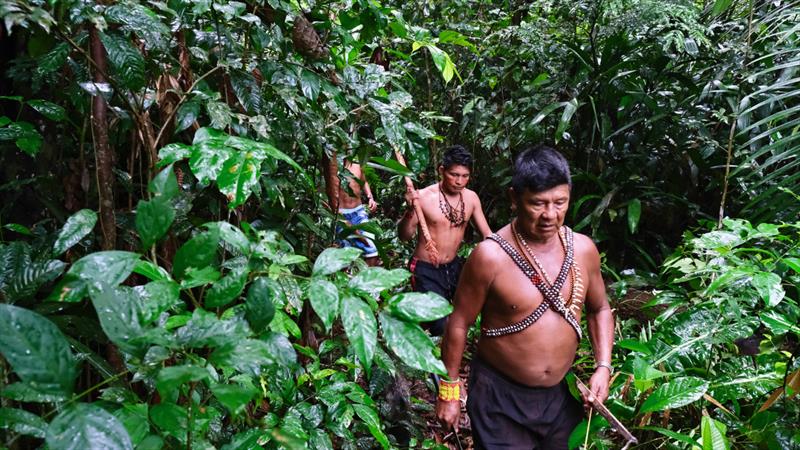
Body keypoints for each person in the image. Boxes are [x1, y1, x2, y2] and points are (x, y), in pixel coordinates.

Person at [435, 145, 615, 450]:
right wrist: (449, 393)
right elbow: (459, 324)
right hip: (499, 398)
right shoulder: (489, 257)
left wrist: (603, 367)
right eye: (537, 203)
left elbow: (599, 309)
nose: (550, 215)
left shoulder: (583, 250)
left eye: (560, 202)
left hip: (562, 398)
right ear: (514, 197)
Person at [398, 145, 492, 336]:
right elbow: (404, 236)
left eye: (465, 176)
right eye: (454, 174)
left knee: (467, 313)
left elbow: (487, 235)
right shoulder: (423, 197)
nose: (459, 181)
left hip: (454, 266)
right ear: (442, 170)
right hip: (425, 268)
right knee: (439, 325)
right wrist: (410, 210)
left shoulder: (471, 199)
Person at [336, 158, 380, 266]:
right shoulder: (333, 167)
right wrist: (340, 218)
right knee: (344, 256)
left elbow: (363, 181)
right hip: (341, 214)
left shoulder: (357, 163)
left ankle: (369, 280)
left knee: (372, 249)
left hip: (359, 212)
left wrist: (370, 197)